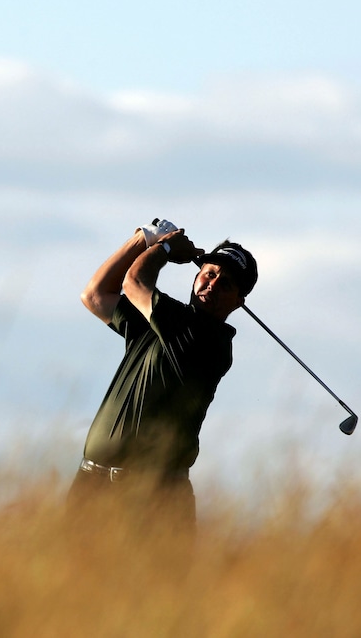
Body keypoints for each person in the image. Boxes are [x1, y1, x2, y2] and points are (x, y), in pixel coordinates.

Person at [67, 218, 258, 530]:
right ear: (197, 276)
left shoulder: (205, 338)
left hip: (154, 497)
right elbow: (95, 295)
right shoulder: (161, 324)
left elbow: (134, 282)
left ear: (238, 302)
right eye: (209, 274)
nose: (212, 285)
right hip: (93, 485)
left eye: (225, 284)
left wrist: (165, 247)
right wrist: (143, 239)